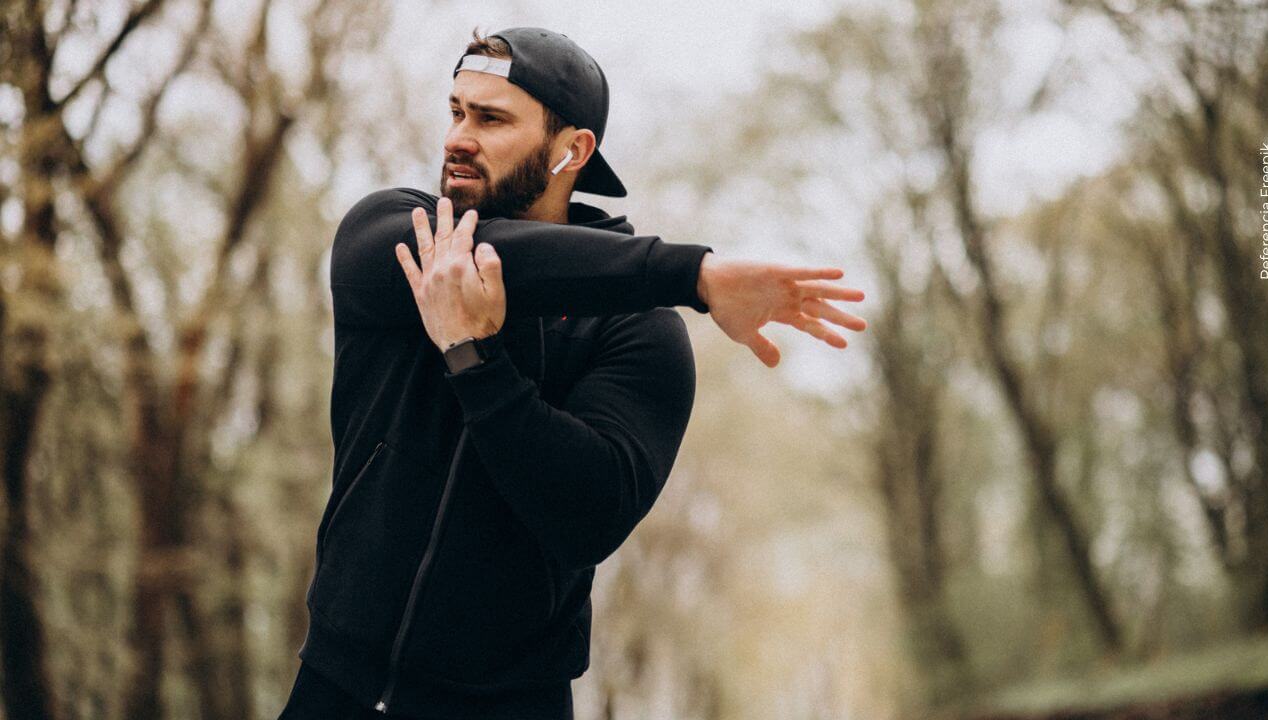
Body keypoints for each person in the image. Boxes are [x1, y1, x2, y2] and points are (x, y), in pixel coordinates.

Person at [279, 26, 867, 720]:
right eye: (457, 111)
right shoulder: (391, 241)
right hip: (332, 689)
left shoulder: (639, 327)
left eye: (491, 118)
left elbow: (587, 516)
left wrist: (476, 360)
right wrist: (694, 274)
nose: (457, 138)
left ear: (573, 150)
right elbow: (485, 256)